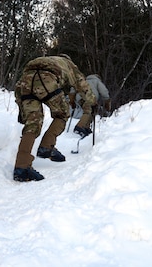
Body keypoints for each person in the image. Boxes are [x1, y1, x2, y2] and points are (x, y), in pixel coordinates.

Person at [13, 54, 96, 182]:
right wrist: (92, 101)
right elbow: (81, 83)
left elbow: (24, 83)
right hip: (47, 80)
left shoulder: (41, 59)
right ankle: (46, 146)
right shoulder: (68, 64)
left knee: (32, 124)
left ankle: (21, 167)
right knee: (62, 114)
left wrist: (22, 112)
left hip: (24, 83)